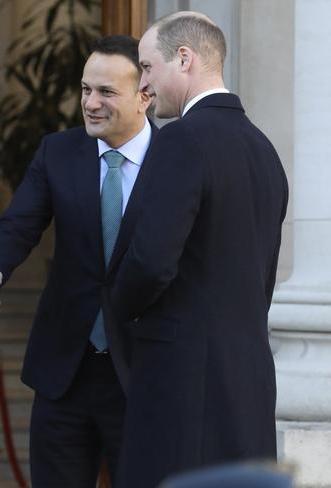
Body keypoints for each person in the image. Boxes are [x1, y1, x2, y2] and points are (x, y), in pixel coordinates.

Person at [106, 11, 288, 488]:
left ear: (183, 59)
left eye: (147, 67)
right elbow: (261, 274)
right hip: (248, 380)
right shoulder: (264, 149)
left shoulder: (183, 140)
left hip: (183, 384)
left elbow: (151, 261)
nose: (143, 86)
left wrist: (117, 312)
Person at [0, 36, 155, 486]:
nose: (90, 103)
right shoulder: (58, 152)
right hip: (65, 371)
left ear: (145, 95)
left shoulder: (178, 159)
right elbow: (18, 226)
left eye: (106, 92)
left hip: (144, 371)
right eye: (86, 89)